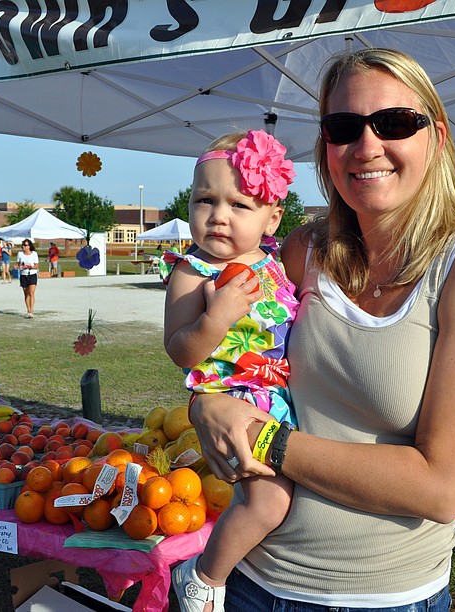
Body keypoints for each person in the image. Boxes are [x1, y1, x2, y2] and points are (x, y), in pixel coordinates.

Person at [188, 48, 455, 611]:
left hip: (384, 599)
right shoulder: (301, 250)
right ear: (326, 147)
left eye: (393, 123)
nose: (367, 146)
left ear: (436, 139)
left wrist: (264, 438)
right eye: (344, 127)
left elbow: (441, 489)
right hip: (253, 583)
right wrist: (205, 405)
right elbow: (229, 354)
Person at [163, 129, 297, 612]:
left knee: (282, 499)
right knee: (270, 503)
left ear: (271, 218)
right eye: (205, 200)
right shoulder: (191, 271)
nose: (218, 216)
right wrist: (216, 318)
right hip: (236, 399)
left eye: (239, 205)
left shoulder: (277, 266)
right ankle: (202, 577)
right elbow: (180, 350)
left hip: (281, 398)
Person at [17, 239, 39, 318]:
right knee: (26, 294)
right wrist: (17, 267)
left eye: (25, 245)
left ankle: (32, 311)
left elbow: (36, 266)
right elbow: (18, 265)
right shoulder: (20, 254)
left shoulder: (34, 254)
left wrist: (30, 267)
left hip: (32, 274)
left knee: (31, 293)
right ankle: (28, 310)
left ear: (29, 246)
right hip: (23, 275)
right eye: (23, 245)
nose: (23, 246)